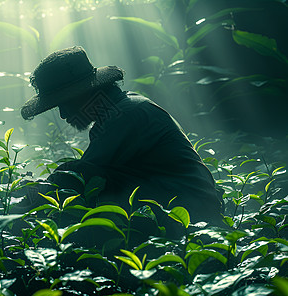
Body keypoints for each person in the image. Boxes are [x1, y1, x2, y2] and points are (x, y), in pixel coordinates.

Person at [19, 46, 223, 237]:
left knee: (72, 176)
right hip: (183, 208)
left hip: (190, 215)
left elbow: (76, 178)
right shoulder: (124, 108)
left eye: (64, 102)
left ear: (87, 91)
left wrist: (28, 194)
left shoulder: (126, 114)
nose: (63, 114)